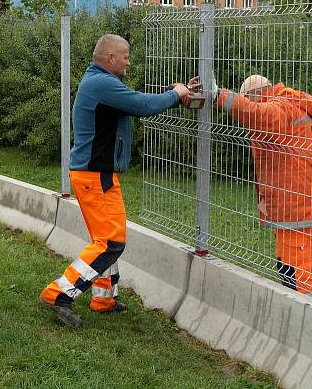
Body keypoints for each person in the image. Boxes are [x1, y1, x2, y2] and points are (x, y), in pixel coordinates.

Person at [39, 33, 198, 328]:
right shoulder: (101, 83)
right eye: (125, 56)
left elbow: (136, 103)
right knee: (111, 242)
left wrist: (178, 96)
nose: (128, 61)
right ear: (110, 58)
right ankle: (59, 293)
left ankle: (104, 298)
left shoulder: (101, 82)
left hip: (95, 174)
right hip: (95, 175)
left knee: (107, 239)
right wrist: (177, 93)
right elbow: (143, 105)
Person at [207, 74, 312, 302]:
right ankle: (301, 310)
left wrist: (219, 96)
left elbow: (257, 114)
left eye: (248, 99)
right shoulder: (286, 103)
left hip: (296, 202)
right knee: (288, 267)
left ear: (256, 94)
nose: (248, 103)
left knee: (298, 271)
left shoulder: (280, 107)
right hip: (293, 199)